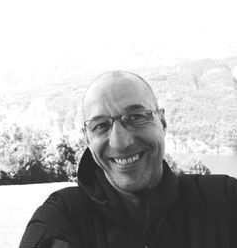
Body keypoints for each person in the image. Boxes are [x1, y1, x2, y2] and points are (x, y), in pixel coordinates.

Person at [19, 71, 237, 248]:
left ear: (162, 122)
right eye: (100, 125)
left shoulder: (224, 199)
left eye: (136, 117)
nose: (120, 142)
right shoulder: (64, 216)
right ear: (87, 138)